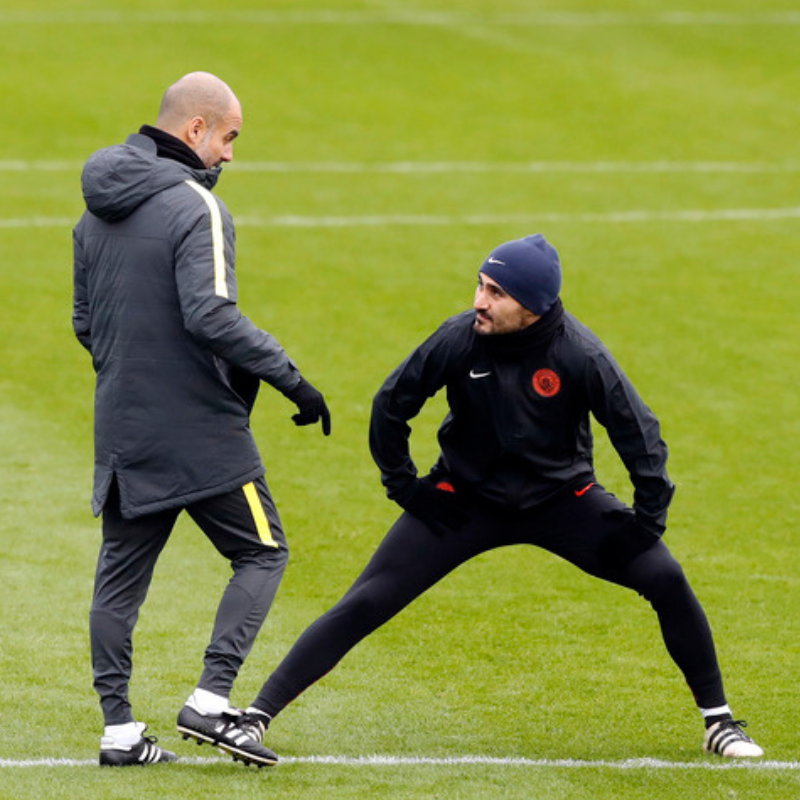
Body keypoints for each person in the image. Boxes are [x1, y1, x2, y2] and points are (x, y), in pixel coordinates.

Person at [215, 233, 763, 764]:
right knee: (366, 601)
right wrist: (405, 486)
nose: (479, 301)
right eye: (479, 285)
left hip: (563, 501)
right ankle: (256, 716)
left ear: (534, 305)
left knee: (664, 577)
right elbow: (391, 405)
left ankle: (719, 721)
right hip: (464, 500)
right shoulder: (459, 339)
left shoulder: (579, 354)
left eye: (496, 293)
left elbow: (639, 435)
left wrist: (646, 524)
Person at [72, 72, 329, 767]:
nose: (230, 155)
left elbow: (85, 325)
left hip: (124, 428)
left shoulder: (94, 212)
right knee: (263, 550)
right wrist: (292, 381)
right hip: (201, 432)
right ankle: (211, 703)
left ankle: (120, 732)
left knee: (118, 579)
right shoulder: (197, 209)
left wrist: (139, 380)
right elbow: (210, 314)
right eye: (229, 137)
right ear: (196, 131)